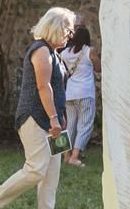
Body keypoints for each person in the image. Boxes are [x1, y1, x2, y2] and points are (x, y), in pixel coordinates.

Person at [0, 7, 76, 209]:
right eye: (68, 29)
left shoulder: (54, 54)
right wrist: (53, 118)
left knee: (51, 176)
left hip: (54, 121)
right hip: (36, 118)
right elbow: (43, 86)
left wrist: (60, 117)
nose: (70, 34)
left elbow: (57, 89)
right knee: (36, 169)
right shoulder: (40, 49)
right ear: (56, 28)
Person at [57, 24, 97, 167]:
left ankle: (65, 156)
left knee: (70, 125)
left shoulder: (65, 53)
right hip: (85, 93)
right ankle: (74, 156)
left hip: (69, 93)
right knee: (85, 125)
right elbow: (98, 68)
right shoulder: (89, 51)